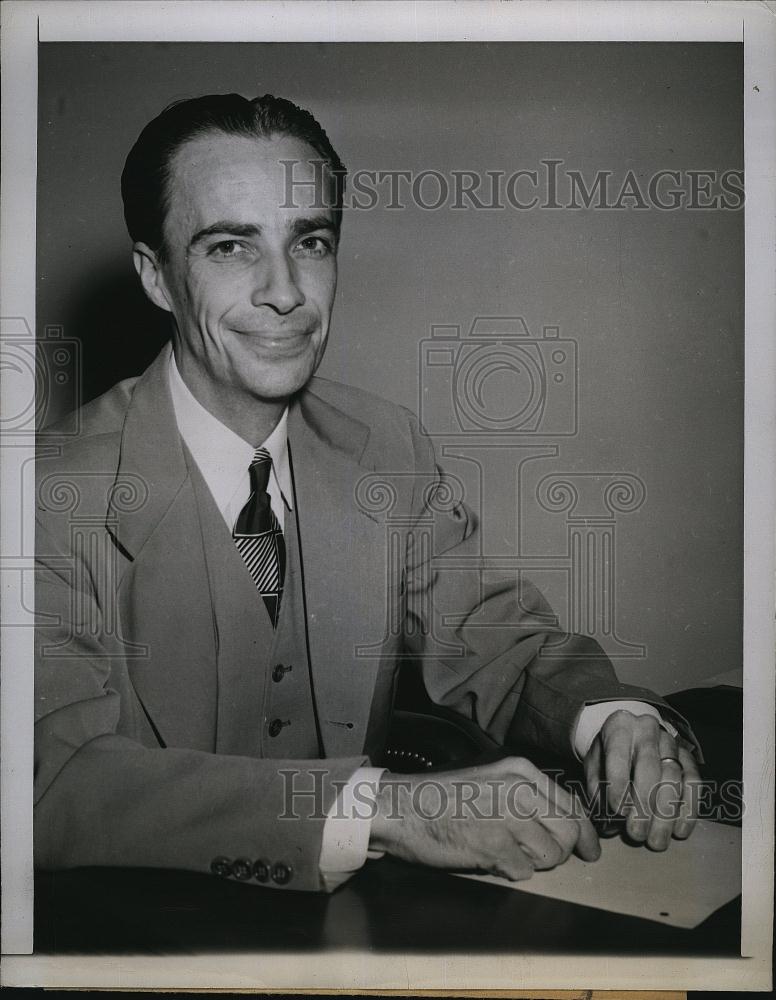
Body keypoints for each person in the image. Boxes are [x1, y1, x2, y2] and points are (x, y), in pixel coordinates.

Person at [34, 93, 701, 893]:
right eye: (230, 247)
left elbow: (501, 646)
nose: (286, 292)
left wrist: (613, 722)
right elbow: (50, 783)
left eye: (309, 241)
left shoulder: (386, 449)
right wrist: (384, 810)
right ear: (157, 278)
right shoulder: (41, 495)